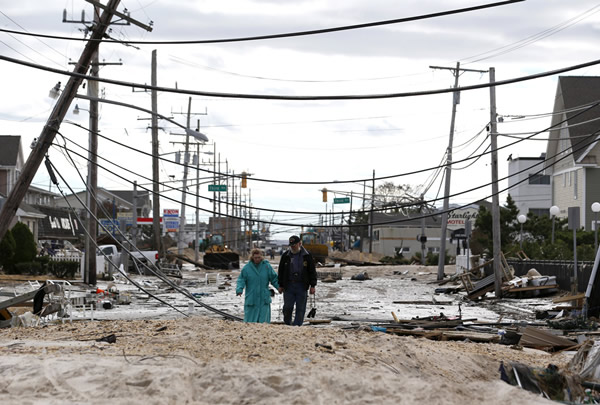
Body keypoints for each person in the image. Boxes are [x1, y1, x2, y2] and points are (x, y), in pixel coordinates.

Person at [277, 235, 317, 326]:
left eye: (294, 245)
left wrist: (313, 285)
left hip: (302, 285)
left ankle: (297, 325)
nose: (293, 247)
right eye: (291, 245)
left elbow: (312, 271)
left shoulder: (307, 256)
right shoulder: (285, 256)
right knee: (287, 307)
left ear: (300, 244)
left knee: (300, 307)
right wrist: (280, 285)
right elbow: (281, 271)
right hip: (289, 285)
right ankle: (287, 323)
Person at [236, 248, 280, 323]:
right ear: (252, 257)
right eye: (255, 257)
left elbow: (274, 278)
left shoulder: (267, 267)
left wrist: (279, 287)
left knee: (264, 321)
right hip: (252, 297)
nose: (257, 259)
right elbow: (241, 280)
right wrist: (239, 289)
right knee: (250, 321)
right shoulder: (247, 268)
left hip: (264, 297)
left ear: (261, 257)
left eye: (259, 257)